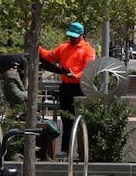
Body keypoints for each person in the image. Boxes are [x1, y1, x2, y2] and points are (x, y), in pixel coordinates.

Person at [39, 22, 97, 155]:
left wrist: (76, 75)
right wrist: (39, 49)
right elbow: (50, 56)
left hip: (81, 87)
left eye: (74, 36)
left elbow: (89, 69)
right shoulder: (63, 48)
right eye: (70, 36)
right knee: (66, 119)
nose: (71, 38)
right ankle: (65, 149)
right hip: (66, 87)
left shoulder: (88, 50)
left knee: (81, 119)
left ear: (82, 35)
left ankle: (84, 151)